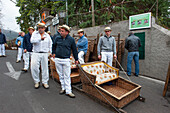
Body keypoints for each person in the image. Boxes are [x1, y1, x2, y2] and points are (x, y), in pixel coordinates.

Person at [52, 25, 78, 98]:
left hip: (66, 59)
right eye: (60, 31)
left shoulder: (71, 39)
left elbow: (74, 50)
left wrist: (76, 59)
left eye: (62, 31)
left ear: (67, 32)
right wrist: (53, 53)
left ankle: (68, 91)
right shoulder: (57, 38)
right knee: (60, 75)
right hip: (57, 59)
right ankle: (63, 88)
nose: (60, 32)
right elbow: (53, 46)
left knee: (67, 75)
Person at [30, 23, 52, 89]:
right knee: (34, 67)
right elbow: (32, 41)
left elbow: (50, 43)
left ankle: (45, 82)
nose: (40, 29)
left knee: (45, 68)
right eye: (39, 28)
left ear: (44, 28)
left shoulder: (47, 35)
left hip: (45, 53)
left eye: (42, 28)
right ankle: (36, 81)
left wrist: (50, 51)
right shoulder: (34, 34)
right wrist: (40, 39)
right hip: (36, 52)